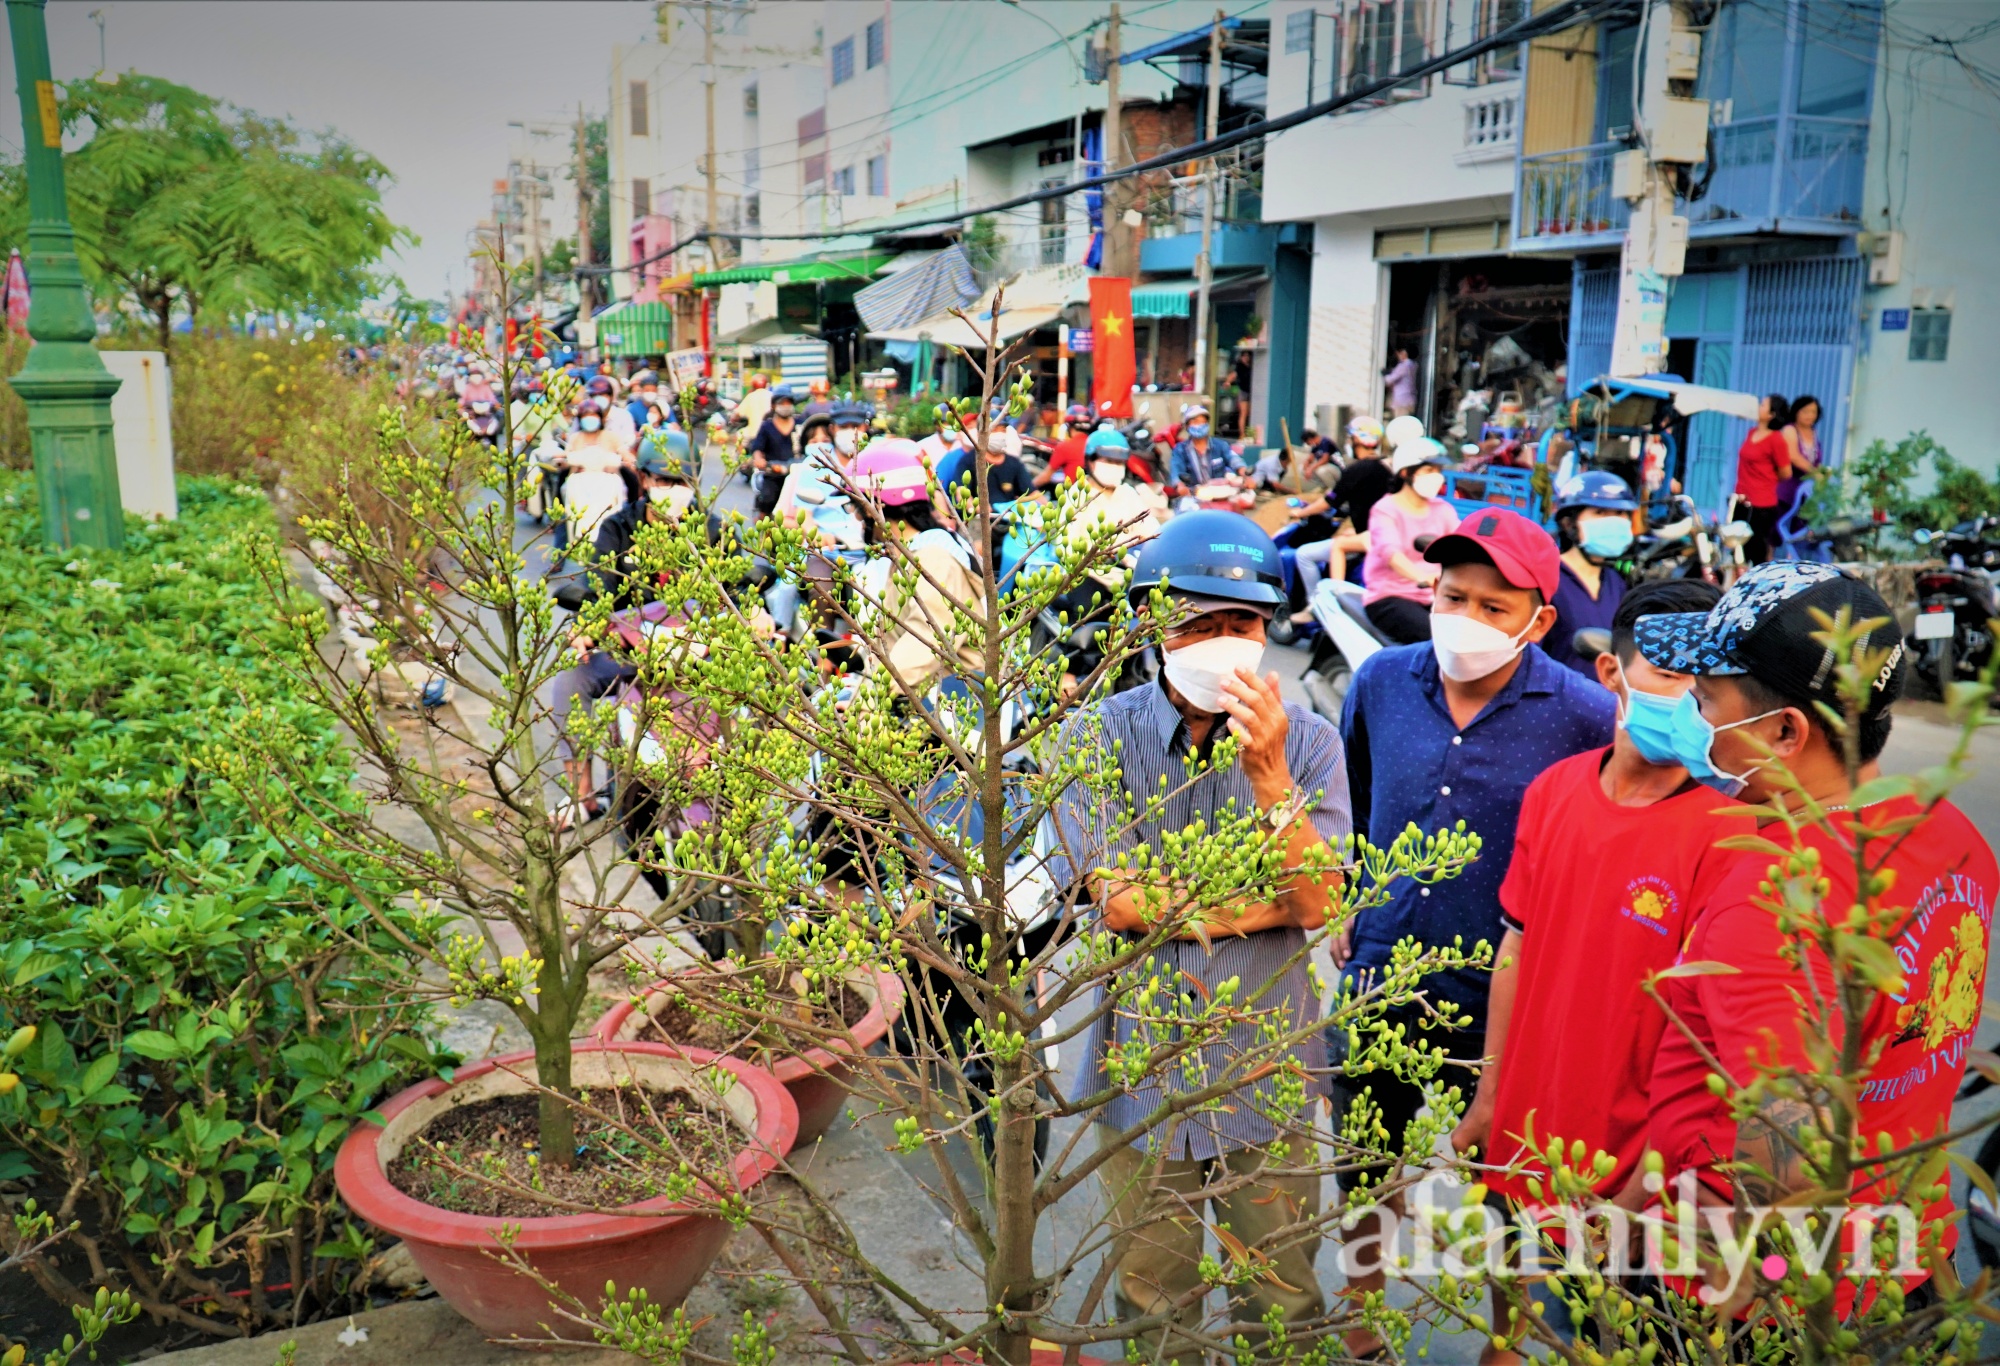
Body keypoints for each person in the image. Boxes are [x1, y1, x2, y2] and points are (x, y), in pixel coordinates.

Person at [1631, 561, 1997, 1313]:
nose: (1690, 718)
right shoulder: (1952, 837)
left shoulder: (1774, 901)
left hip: (1777, 1295)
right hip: (1901, 1252)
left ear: (1784, 730)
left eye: (1703, 700)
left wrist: (1737, 1301)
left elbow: (1793, 1149)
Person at [1050, 510, 1342, 1358]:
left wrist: (1270, 777)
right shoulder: (1095, 735)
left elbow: (1319, 899)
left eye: (1241, 625)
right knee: (1152, 1295)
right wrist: (1266, 901)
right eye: (1198, 624)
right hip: (1140, 1067)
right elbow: (1121, 903)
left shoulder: (1310, 744)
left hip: (1267, 1062)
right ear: (1153, 625)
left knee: (1283, 1291)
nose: (1223, 643)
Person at [1330, 508, 1616, 1358]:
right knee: (1362, 1161)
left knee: (1509, 1184)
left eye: (1496, 607)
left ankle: (1508, 1335)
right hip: (1380, 974)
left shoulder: (1584, 716)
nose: (1470, 619)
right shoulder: (1382, 680)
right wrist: (1354, 897)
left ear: (1539, 620)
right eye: (1455, 596)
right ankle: (1360, 1306)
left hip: (1505, 1000)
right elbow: (1354, 793)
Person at [1448, 579, 1732, 1362]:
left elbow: (1715, 1036)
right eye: (1674, 679)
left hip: (1638, 1156)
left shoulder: (1732, 832)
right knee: (1510, 1292)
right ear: (1613, 674)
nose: (1694, 703)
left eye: (1710, 687)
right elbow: (1515, 949)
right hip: (1531, 1124)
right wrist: (1489, 1094)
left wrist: (1650, 1181)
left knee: (1603, 1331)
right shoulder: (1552, 794)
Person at [547, 439, 704, 830]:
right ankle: (583, 797)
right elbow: (598, 588)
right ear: (646, 480)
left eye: (680, 481)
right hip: (630, 648)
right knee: (572, 677)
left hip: (700, 655)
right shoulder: (619, 528)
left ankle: (741, 797)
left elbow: (736, 590)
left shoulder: (708, 528)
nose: (673, 490)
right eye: (664, 481)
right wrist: (587, 626)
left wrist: (756, 616)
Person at [1287, 418, 1394, 623]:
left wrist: (1300, 513)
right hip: (1377, 534)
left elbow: (1330, 502)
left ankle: (1317, 606)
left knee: (1304, 555)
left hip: (1371, 539)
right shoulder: (1386, 468)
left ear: (1357, 440)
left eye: (1351, 437)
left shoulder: (1358, 469)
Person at [1359, 435, 1460, 644]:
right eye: (1429, 470)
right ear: (1406, 472)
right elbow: (1391, 554)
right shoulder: (1385, 509)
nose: (1437, 477)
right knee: (1436, 638)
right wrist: (1422, 577)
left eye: (1439, 471)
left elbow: (1462, 545)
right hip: (1391, 597)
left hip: (1437, 596)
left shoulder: (1443, 510)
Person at [1544, 470, 1639, 676]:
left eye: (1620, 514)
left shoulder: (1617, 582)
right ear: (1569, 523)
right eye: (1600, 512)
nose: (1613, 521)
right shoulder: (1547, 578)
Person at [1733, 394, 1792, 564]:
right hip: (1742, 497)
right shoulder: (1751, 432)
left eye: (1763, 405)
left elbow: (1785, 472)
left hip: (1762, 503)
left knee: (1757, 549)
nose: (1759, 407)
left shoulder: (1776, 439)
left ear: (1771, 414)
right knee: (1738, 547)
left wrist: (1765, 478)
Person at [745, 385, 799, 520]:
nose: (785, 406)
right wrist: (759, 459)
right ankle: (763, 522)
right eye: (782, 403)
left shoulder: (799, 424)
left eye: (788, 402)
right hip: (773, 473)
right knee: (768, 497)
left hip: (796, 473)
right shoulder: (767, 426)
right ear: (774, 405)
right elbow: (757, 448)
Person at [1167, 404, 1249, 491]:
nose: (1199, 425)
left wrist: (1243, 471)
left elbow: (1233, 459)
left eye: (1203, 422)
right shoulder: (1180, 450)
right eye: (1195, 422)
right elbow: (1176, 471)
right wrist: (1180, 486)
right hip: (1193, 494)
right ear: (1187, 426)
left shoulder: (1220, 445)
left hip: (1219, 493)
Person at [1034, 404, 1092, 489]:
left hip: (1073, 498)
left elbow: (1045, 477)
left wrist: (1026, 488)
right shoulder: (1095, 443)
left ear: (1069, 426)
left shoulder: (1065, 446)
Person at [1383, 345, 1418, 418]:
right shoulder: (1413, 365)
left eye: (1398, 354)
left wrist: (1385, 374)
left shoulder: (1403, 365)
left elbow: (1390, 379)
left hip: (1401, 400)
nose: (1398, 356)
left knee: (1400, 421)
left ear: (1403, 353)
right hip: (1410, 400)